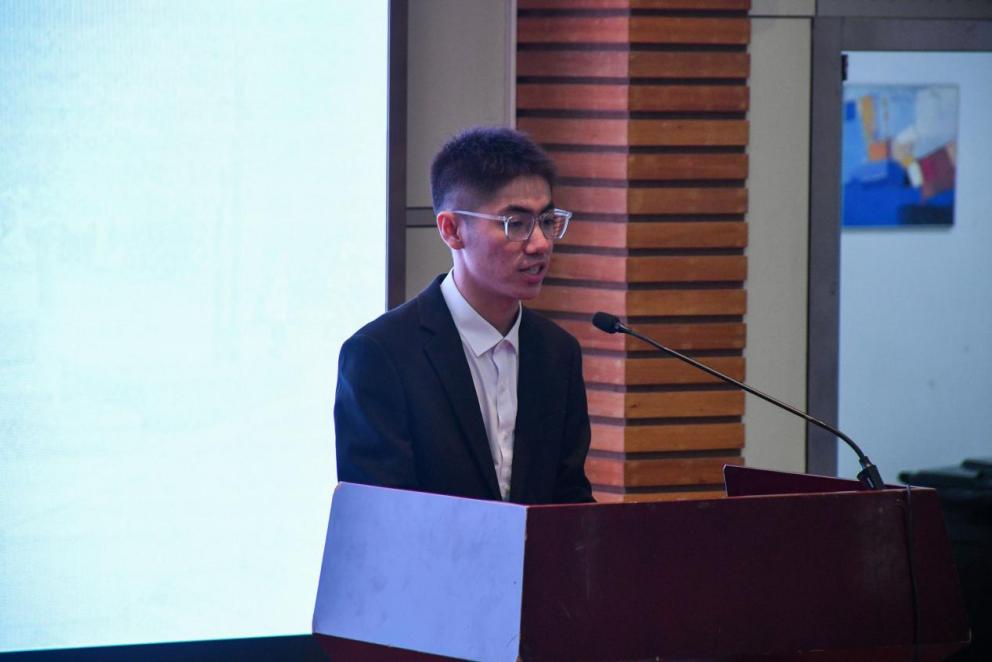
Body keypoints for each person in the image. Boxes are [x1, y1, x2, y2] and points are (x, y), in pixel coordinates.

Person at [334, 126, 593, 504]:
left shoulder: (558, 353)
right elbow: (382, 517)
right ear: (452, 230)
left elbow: (570, 501)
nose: (540, 244)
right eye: (516, 224)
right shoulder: (381, 355)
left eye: (547, 221)